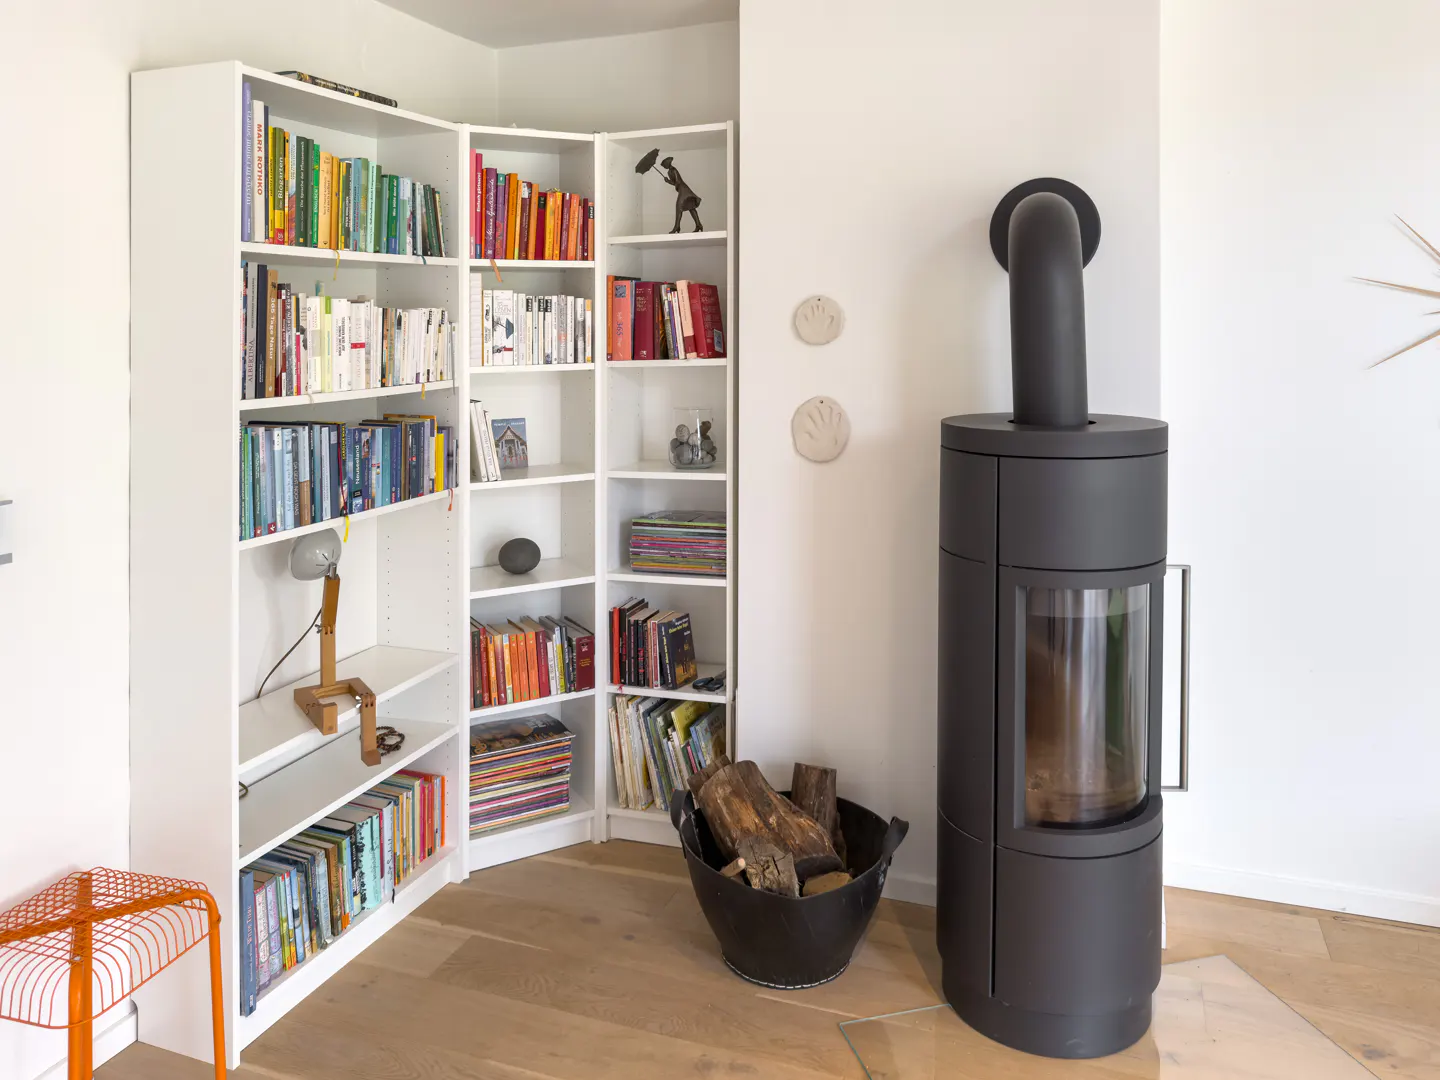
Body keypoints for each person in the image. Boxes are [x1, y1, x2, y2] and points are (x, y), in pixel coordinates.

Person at [661, 156, 704, 233]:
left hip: (683, 189)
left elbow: (678, 182)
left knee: (679, 207)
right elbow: (675, 183)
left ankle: (677, 226)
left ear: (668, 163)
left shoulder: (673, 170)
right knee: (691, 206)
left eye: (664, 165)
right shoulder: (669, 172)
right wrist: (668, 181)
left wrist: (671, 182)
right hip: (681, 189)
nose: (664, 166)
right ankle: (698, 224)